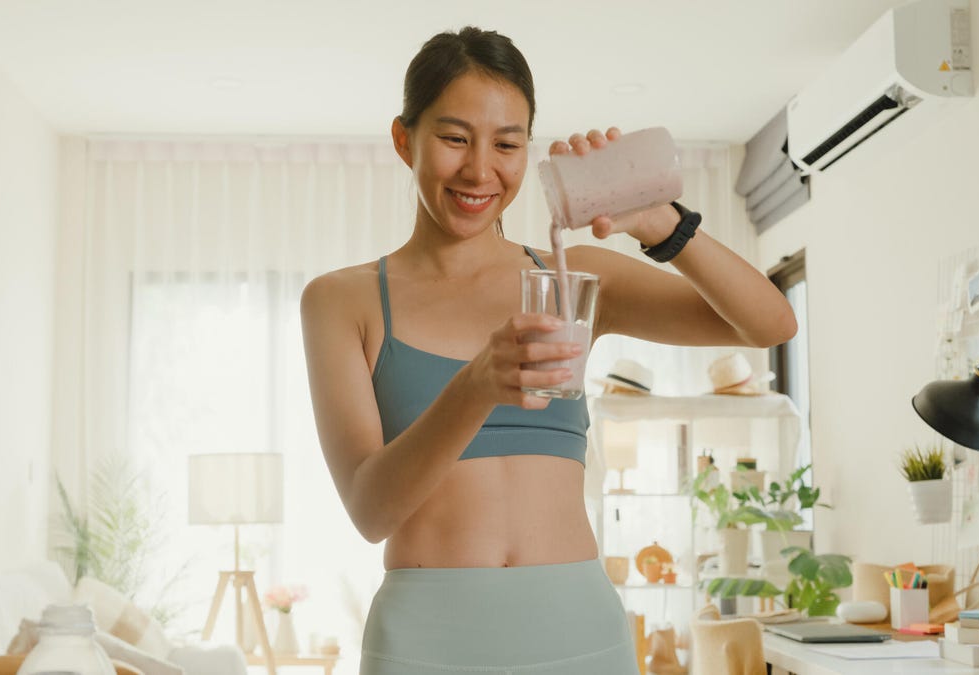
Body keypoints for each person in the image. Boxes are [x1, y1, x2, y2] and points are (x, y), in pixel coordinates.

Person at [300, 26, 797, 675]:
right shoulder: (342, 300)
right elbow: (371, 511)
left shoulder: (571, 278)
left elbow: (769, 323)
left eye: (507, 144)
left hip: (578, 629)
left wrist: (661, 222)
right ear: (404, 139)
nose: (481, 170)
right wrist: (477, 384)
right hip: (427, 638)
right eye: (455, 138)